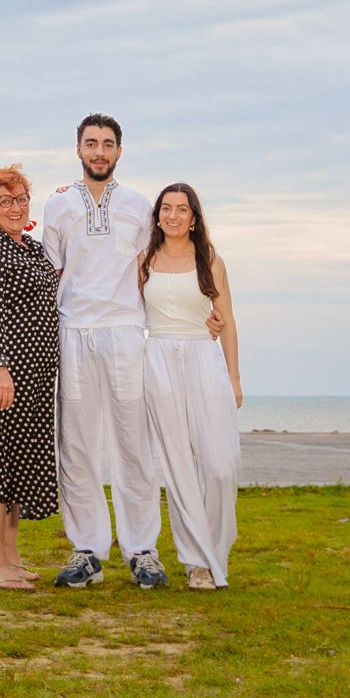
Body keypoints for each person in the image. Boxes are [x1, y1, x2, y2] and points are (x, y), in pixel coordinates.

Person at [39, 114, 167, 589]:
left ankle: (142, 551)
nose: (99, 151)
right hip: (73, 333)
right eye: (90, 143)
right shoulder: (57, 206)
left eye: (107, 144)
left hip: (125, 333)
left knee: (133, 445)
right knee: (77, 446)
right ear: (77, 150)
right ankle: (87, 549)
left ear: (119, 152)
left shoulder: (139, 205)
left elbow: (150, 271)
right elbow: (50, 273)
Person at [140, 182, 241, 589]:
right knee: (179, 467)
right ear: (158, 216)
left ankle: (215, 553)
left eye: (182, 209)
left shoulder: (210, 258)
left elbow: (227, 320)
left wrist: (233, 378)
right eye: (167, 208)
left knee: (219, 466)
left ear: (194, 218)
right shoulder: (144, 259)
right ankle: (196, 563)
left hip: (204, 358)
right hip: (159, 359)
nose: (174, 216)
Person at [0, 163, 60, 589]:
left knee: (20, 464)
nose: (16, 207)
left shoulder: (35, 249)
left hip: (39, 373)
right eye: (5, 200)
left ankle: (12, 555)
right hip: (5, 371)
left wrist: (69, 201)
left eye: (22, 199)